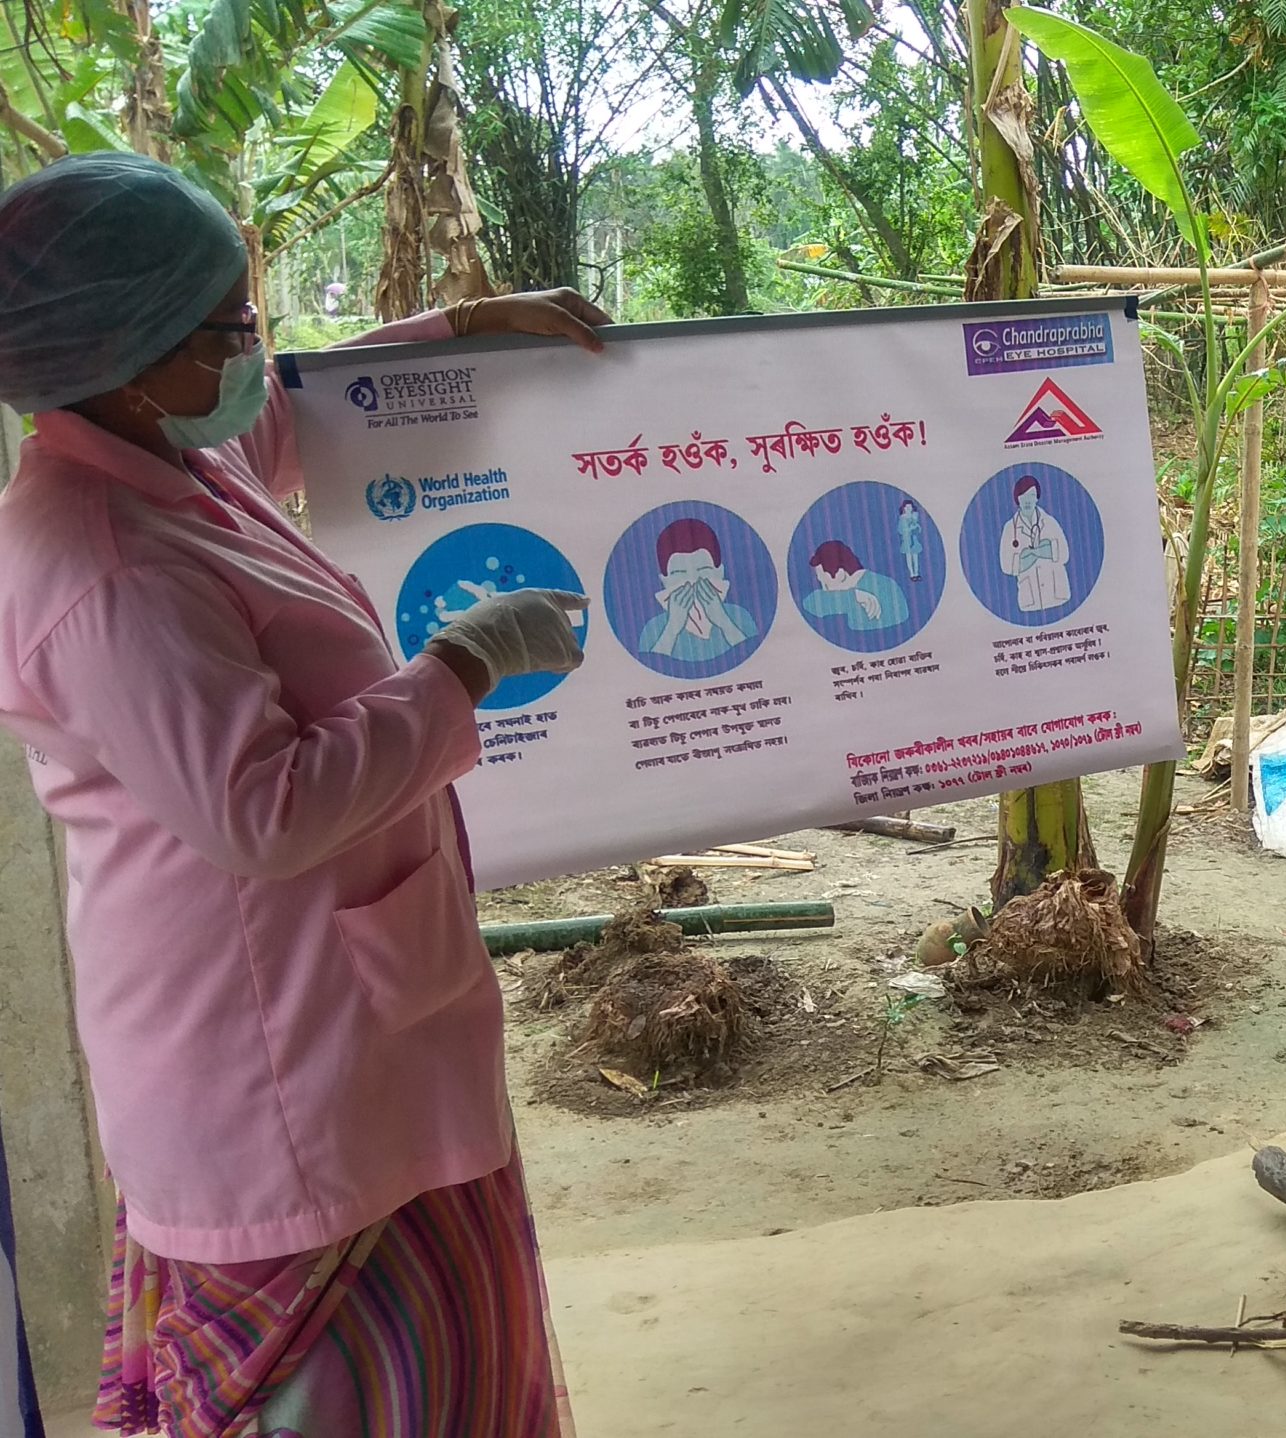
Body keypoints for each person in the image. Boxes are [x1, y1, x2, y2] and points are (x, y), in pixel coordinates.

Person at [0, 153, 607, 1437]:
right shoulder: (103, 561)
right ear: (131, 352)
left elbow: (283, 415)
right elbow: (259, 813)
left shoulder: (160, 451)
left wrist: (460, 333)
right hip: (265, 1063)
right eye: (230, 327)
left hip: (354, 1020)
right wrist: (464, 665)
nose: (254, 349)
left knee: (450, 1376)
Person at [640, 516, 757, 661]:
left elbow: (758, 658)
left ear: (719, 572)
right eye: (679, 574)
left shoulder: (739, 616)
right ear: (664, 581)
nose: (693, 581)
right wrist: (672, 627)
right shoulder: (653, 629)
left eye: (703, 570)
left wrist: (723, 621)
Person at [1001, 474, 1072, 612]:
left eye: (1032, 495)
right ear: (1017, 499)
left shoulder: (1050, 522)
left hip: (1058, 595)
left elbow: (1064, 554)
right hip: (1030, 600)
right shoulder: (1010, 528)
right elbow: (1006, 566)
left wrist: (1030, 554)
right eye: (1023, 496)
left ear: (1037, 498)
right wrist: (1045, 550)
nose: (1028, 500)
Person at [802, 540, 909, 630]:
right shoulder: (855, 594)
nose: (824, 590)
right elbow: (809, 602)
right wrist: (854, 596)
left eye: (824, 583)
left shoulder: (885, 587)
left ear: (840, 574)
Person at [896, 497, 925, 581]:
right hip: (907, 541)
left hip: (914, 540)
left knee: (915, 558)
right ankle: (912, 574)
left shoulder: (914, 518)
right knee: (909, 558)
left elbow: (919, 529)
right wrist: (909, 529)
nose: (909, 509)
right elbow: (900, 530)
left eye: (910, 507)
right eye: (907, 507)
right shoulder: (902, 519)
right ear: (904, 508)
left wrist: (916, 527)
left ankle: (916, 573)